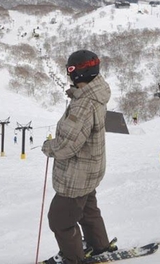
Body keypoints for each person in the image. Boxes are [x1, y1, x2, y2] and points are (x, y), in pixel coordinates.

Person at [41, 50, 116, 264]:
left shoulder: (84, 104)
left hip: (76, 175)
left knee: (60, 220)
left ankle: (73, 258)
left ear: (78, 73)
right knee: (87, 210)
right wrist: (76, 93)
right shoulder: (95, 94)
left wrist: (49, 148)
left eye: (70, 70)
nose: (68, 75)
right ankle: (99, 246)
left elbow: (67, 145)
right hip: (90, 168)